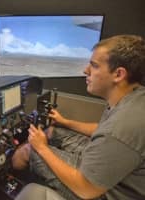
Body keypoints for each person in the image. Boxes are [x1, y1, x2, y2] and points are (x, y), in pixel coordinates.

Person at [12, 35, 145, 200]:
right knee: (52, 131)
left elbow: (86, 189)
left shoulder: (120, 127)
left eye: (94, 65)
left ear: (118, 74)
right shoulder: (133, 98)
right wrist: (66, 122)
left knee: (27, 150)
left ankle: (8, 184)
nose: (85, 70)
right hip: (111, 168)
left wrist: (41, 148)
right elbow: (101, 130)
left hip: (102, 191)